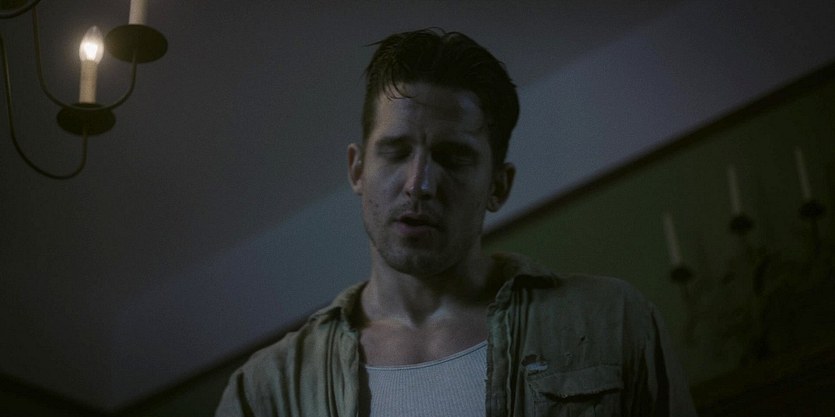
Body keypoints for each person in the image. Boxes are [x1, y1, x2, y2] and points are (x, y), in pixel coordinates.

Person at [215, 28, 697, 417]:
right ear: (357, 169)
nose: (419, 184)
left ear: (498, 186)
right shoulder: (266, 392)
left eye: (452, 157)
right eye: (396, 152)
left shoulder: (612, 322)